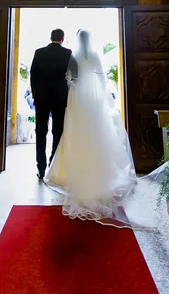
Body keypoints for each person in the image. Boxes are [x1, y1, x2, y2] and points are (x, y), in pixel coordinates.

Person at [45, 29, 137, 227]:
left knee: (74, 132)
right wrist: (102, 97)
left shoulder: (73, 55)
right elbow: (102, 81)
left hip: (78, 98)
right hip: (93, 101)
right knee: (97, 134)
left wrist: (71, 87)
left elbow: (70, 78)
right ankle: (101, 169)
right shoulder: (95, 56)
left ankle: (67, 170)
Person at [30, 28, 72, 179]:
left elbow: (33, 74)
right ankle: (53, 164)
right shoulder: (68, 53)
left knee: (40, 131)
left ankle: (40, 167)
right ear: (62, 39)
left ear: (50, 38)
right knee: (58, 131)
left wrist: (35, 94)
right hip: (60, 97)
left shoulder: (39, 52)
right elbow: (74, 75)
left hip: (41, 97)